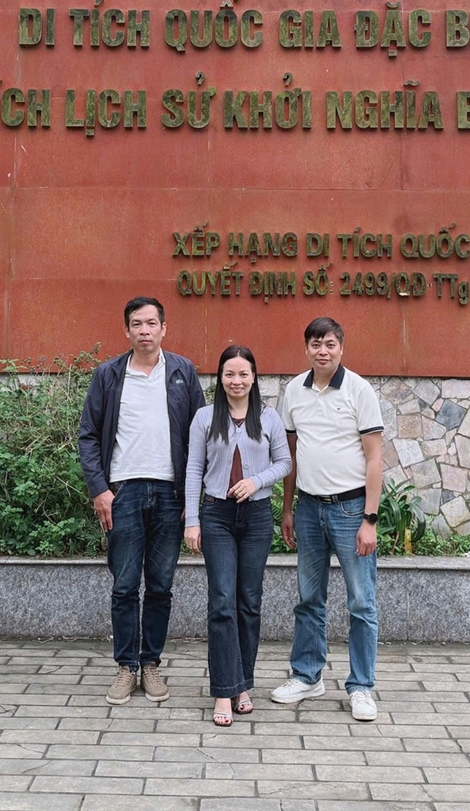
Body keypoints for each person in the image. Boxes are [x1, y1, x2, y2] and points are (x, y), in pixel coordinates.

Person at [78, 296, 207, 706]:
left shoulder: (183, 371)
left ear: (164, 328)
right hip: (124, 492)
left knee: (161, 586)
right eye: (137, 324)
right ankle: (126, 666)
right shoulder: (109, 375)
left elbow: (201, 438)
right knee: (124, 585)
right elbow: (88, 435)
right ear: (127, 330)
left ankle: (150, 663)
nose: (145, 330)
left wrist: (192, 497)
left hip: (170, 493)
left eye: (152, 323)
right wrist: (100, 489)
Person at [271, 316, 385, 722]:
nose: (323, 351)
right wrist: (287, 509)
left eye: (330, 344)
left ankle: (362, 687)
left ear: (341, 347)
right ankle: (307, 675)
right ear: (306, 348)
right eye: (316, 344)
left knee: (361, 602)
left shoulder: (359, 390)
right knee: (308, 598)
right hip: (308, 508)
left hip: (351, 510)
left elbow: (374, 458)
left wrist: (370, 519)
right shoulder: (293, 391)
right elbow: (290, 456)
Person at [183, 345, 291, 727]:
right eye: (230, 374)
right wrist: (191, 520)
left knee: (249, 603)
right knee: (222, 602)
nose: (237, 381)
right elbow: (193, 469)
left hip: (257, 517)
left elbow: (285, 462)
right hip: (217, 516)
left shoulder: (269, 417)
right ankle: (223, 690)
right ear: (220, 377)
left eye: (244, 374)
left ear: (254, 377)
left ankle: (243, 684)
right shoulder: (204, 418)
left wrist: (256, 481)